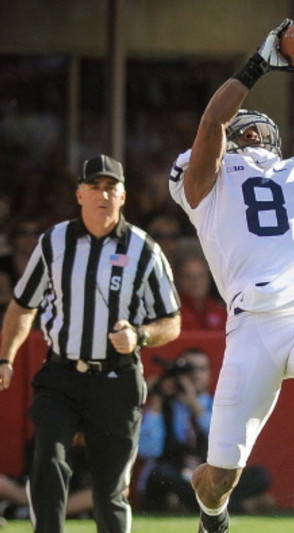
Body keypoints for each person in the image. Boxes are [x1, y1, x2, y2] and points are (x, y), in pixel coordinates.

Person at [167, 18, 294, 533]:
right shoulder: (206, 179)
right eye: (246, 127)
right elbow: (213, 123)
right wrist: (259, 63)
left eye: (262, 128)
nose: (255, 132)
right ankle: (213, 513)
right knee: (218, 478)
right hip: (251, 328)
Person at [0, 154, 182, 533]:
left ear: (123, 196)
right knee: (48, 462)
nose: (103, 194)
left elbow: (172, 321)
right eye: (95, 187)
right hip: (61, 373)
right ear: (79, 194)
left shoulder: (144, 249)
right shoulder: (53, 243)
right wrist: (6, 358)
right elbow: (22, 307)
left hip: (117, 378)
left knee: (109, 487)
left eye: (110, 187)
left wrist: (140, 335)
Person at [138, 348, 275, 515]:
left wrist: (194, 405)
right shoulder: (163, 407)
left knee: (260, 475)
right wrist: (157, 401)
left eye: (201, 369)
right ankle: (236, 507)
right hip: (175, 476)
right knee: (159, 474)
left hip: (209, 479)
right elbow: (148, 450)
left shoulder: (217, 406)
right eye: (189, 369)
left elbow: (225, 443)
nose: (195, 375)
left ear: (210, 374)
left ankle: (188, 505)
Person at [0, 433, 95, 522]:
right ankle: (32, 512)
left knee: (95, 494)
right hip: (37, 494)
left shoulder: (96, 441)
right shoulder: (46, 437)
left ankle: (30, 513)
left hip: (74, 500)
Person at [0, 217, 44, 322]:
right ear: (14, 238)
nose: (30, 238)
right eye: (23, 233)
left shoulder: (48, 264)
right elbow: (4, 297)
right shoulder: (3, 263)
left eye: (35, 233)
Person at [175, 252, 227, 330]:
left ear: (209, 278)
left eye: (201, 275)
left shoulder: (221, 311)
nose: (195, 281)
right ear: (179, 279)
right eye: (188, 276)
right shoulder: (172, 313)